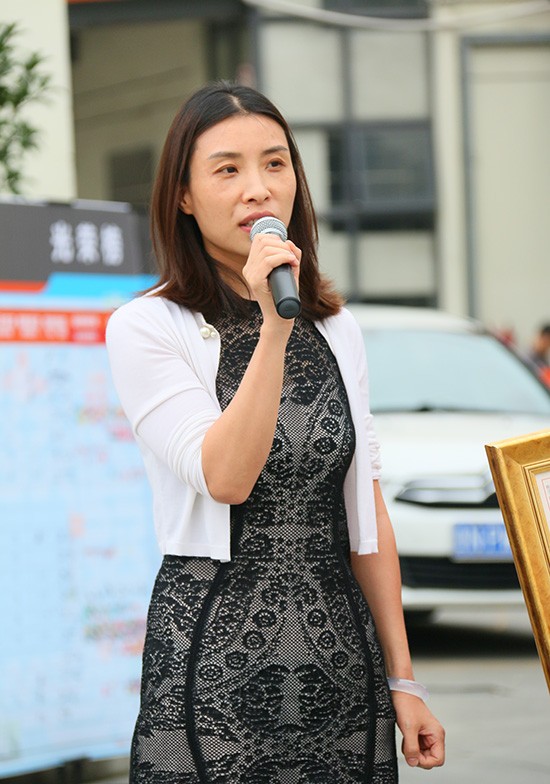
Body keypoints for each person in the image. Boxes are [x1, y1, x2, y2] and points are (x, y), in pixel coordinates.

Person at [106, 81, 445, 783]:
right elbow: (226, 476)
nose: (257, 188)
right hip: (213, 659)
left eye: (274, 163)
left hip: (340, 661)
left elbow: (366, 508)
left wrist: (404, 679)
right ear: (184, 196)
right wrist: (272, 329)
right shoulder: (147, 327)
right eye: (227, 169)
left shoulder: (337, 328)